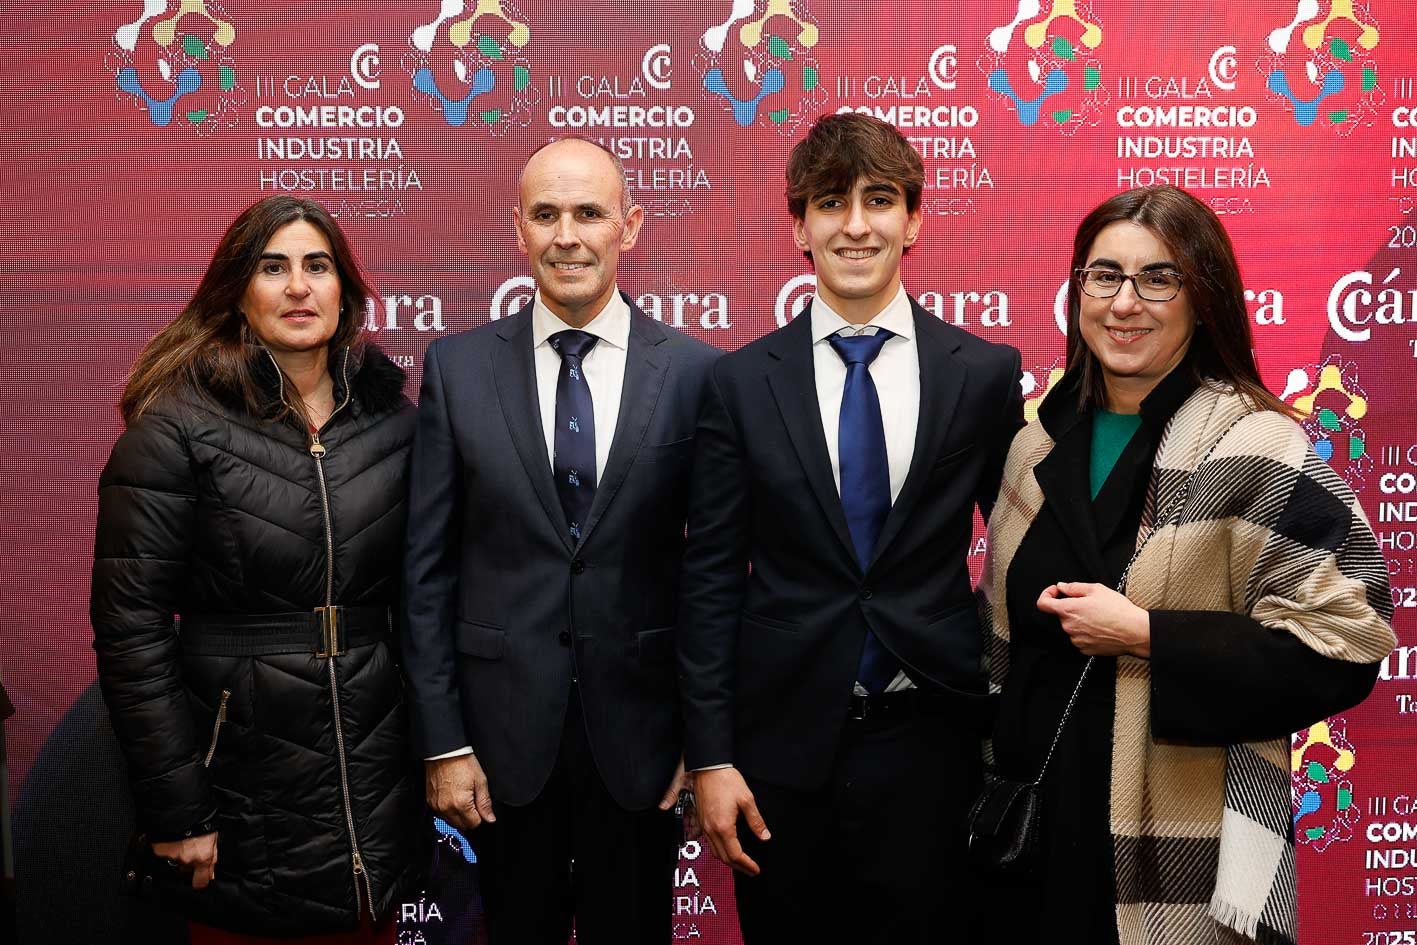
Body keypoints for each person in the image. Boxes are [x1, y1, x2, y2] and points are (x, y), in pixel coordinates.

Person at [978, 184, 1396, 945]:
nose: (1124, 302)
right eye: (1103, 276)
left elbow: (1349, 639)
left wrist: (1147, 632)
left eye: (1156, 278)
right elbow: (997, 654)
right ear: (1076, 291)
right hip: (1029, 830)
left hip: (1175, 839)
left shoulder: (1256, 445)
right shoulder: (1031, 446)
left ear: (1200, 297)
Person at [678, 112, 1024, 944]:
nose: (856, 224)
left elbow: (1019, 552)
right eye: (831, 202)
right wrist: (712, 758)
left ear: (913, 219)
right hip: (780, 752)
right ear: (799, 225)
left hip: (932, 742)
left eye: (879, 200)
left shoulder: (981, 372)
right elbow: (712, 579)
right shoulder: (737, 383)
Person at [402, 138, 719, 945]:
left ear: (630, 226)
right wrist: (443, 740)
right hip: (499, 749)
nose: (567, 235)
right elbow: (426, 573)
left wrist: (703, 740)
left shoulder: (696, 375)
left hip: (642, 749)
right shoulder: (456, 368)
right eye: (545, 214)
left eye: (589, 212)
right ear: (518, 228)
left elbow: (712, 576)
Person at [90, 195, 424, 942]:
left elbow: (429, 598)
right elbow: (130, 633)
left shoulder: (396, 425)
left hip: (375, 781)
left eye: (318, 265)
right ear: (238, 289)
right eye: (273, 268)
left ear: (347, 289)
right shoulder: (175, 427)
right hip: (238, 786)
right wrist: (178, 809)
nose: (299, 287)